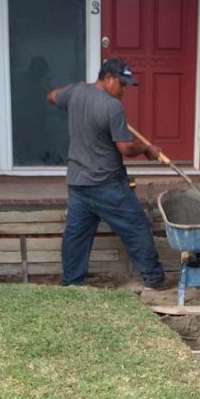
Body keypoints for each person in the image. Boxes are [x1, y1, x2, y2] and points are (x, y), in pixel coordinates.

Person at [47, 57, 169, 288]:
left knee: (76, 235)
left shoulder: (75, 92)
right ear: (108, 78)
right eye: (121, 84)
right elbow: (125, 148)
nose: (124, 89)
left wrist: (75, 91)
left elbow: (51, 96)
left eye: (127, 85)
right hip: (108, 186)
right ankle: (154, 279)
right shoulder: (112, 107)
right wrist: (146, 149)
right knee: (137, 228)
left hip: (78, 183)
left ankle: (72, 281)